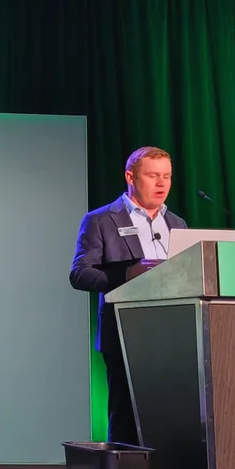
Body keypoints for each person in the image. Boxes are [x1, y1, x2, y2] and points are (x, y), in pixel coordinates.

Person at [69, 146, 186, 445]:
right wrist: (125, 275)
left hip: (174, 334)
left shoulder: (177, 225)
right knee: (125, 419)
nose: (161, 184)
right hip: (125, 333)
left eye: (167, 176)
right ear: (130, 177)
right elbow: (79, 274)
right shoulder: (101, 220)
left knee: (171, 418)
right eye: (152, 176)